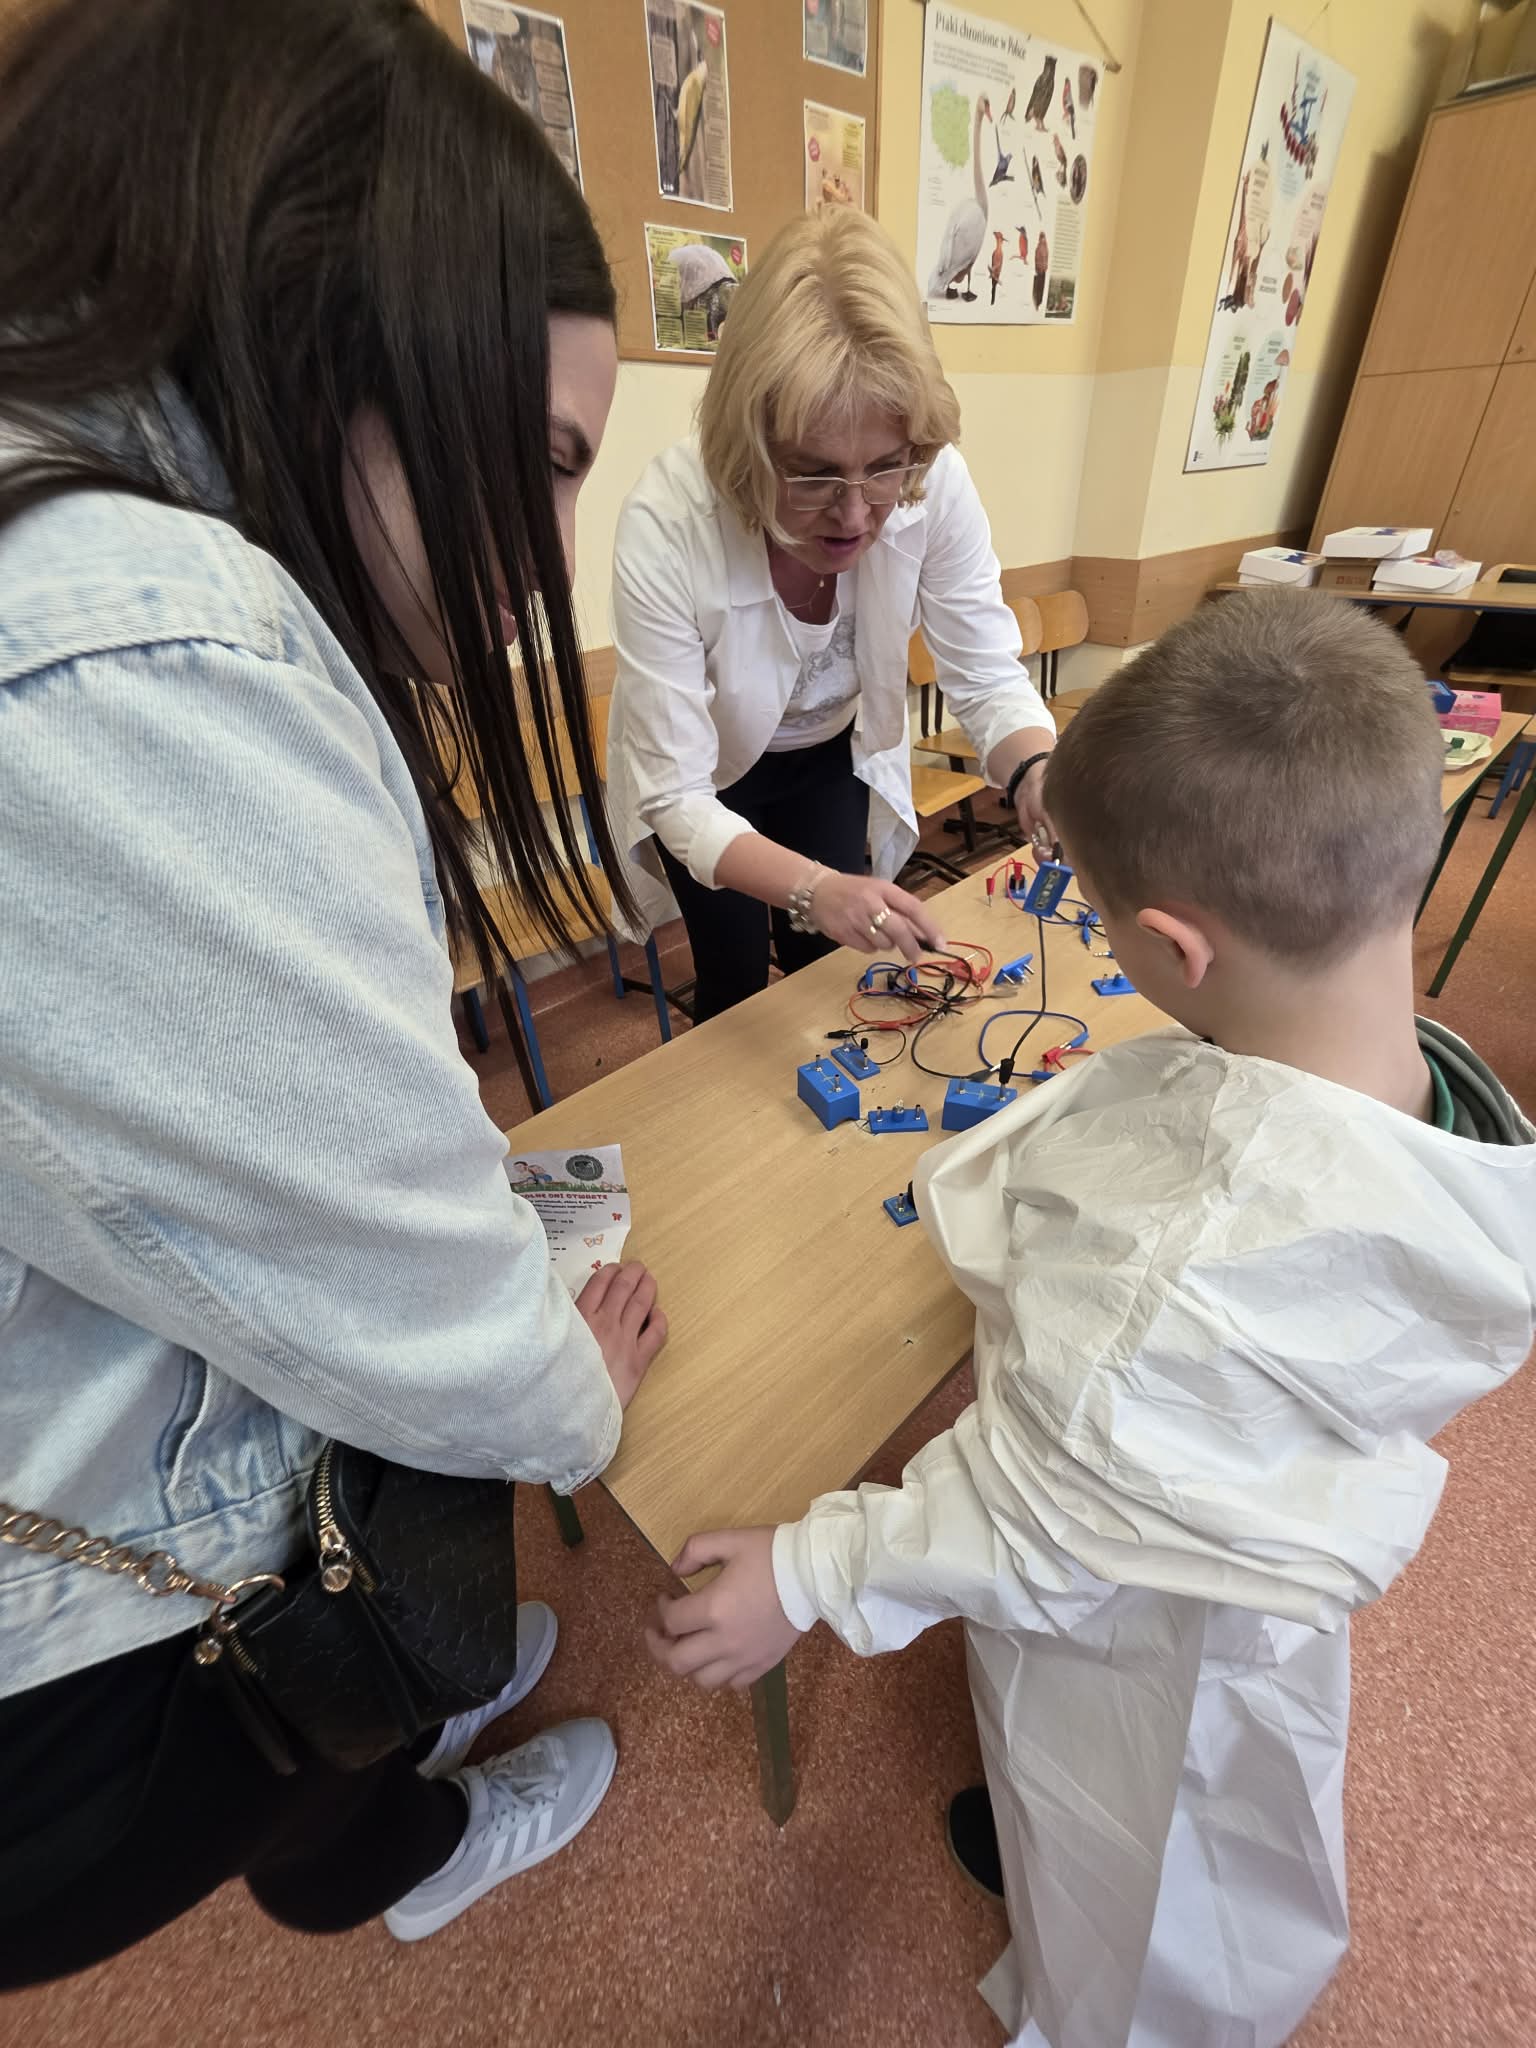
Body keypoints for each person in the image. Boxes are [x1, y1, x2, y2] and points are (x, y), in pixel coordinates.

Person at [0, 0, 667, 1984]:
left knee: (370, 1638)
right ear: (329, 345)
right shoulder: (149, 650)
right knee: (351, 1631)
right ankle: (407, 1820)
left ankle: (399, 1754)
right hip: (85, 1674)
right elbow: (438, 1326)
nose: (543, 555)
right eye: (541, 465)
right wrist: (566, 1388)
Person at [647, 591, 1536, 2047]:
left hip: (1140, 1624)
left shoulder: (1158, 1302)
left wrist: (805, 1573)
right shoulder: (1433, 1088)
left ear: (1176, 948)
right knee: (1132, 1781)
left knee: (1135, 1854)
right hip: (1215, 1543)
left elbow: (1030, 1520)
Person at [606, 207, 1058, 1023]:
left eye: (884, 468)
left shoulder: (931, 479)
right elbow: (675, 793)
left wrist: (1035, 772)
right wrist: (812, 887)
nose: (854, 515)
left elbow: (985, 671)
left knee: (835, 972)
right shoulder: (669, 522)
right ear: (749, 446)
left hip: (827, 754)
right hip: (709, 775)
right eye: (812, 474)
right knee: (734, 982)